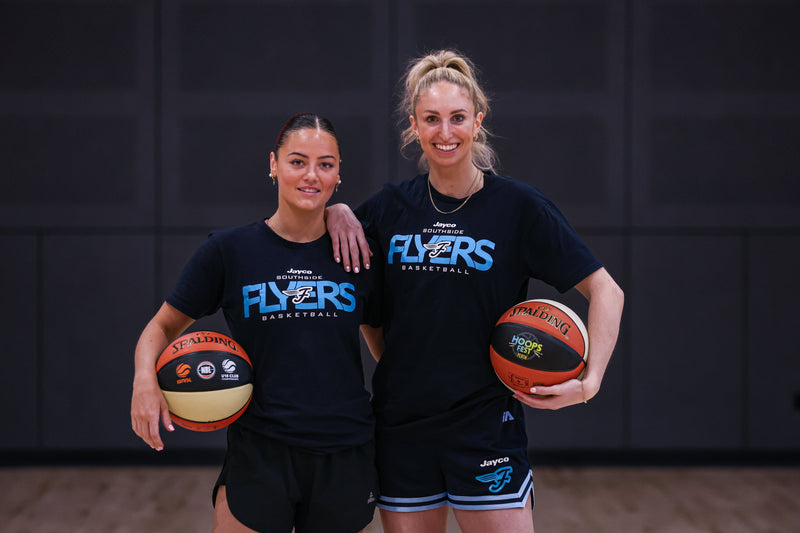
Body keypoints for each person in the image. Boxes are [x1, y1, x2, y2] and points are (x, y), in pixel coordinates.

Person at [326, 50, 624, 533]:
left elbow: (608, 290)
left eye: (457, 118)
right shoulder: (387, 209)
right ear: (414, 127)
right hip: (402, 427)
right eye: (432, 119)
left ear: (478, 122)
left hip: (487, 427)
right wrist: (337, 210)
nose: (446, 132)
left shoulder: (518, 207)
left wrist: (588, 385)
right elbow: (364, 300)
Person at [131, 113, 382, 533]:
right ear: (273, 164)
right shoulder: (230, 251)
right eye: (297, 161)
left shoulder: (357, 253)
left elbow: (383, 345)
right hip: (260, 449)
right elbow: (161, 327)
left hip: (345, 450)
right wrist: (144, 381)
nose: (311, 175)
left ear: (338, 173)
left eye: (325, 164)